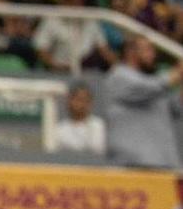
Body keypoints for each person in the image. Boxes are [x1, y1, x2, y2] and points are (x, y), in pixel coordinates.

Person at [106, 37, 183, 169]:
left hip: (164, 163)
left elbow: (177, 107)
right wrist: (178, 72)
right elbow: (149, 87)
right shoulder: (118, 76)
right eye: (148, 49)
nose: (153, 55)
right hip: (134, 165)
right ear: (130, 52)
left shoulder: (154, 82)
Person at [55, 82, 109, 156]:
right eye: (78, 99)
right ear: (69, 101)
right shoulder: (59, 129)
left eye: (85, 100)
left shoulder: (99, 126)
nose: (81, 104)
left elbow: (100, 150)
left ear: (90, 103)